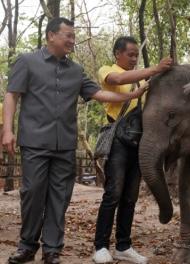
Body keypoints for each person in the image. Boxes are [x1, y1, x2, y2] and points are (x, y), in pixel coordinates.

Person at [3, 17, 148, 264]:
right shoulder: (27, 62)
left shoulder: (76, 70)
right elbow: (11, 95)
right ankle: (27, 246)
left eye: (73, 35)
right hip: (35, 142)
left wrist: (133, 94)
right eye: (68, 35)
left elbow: (98, 93)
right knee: (32, 194)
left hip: (65, 145)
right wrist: (7, 130)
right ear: (51, 35)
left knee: (60, 198)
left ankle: (52, 250)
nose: (72, 40)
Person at [91, 36, 172, 264]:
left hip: (138, 142)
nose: (135, 58)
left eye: (137, 54)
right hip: (117, 141)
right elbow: (118, 78)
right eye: (131, 54)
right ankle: (100, 246)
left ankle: (124, 246)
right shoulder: (108, 70)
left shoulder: (140, 82)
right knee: (113, 193)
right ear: (118, 54)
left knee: (130, 197)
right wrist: (153, 69)